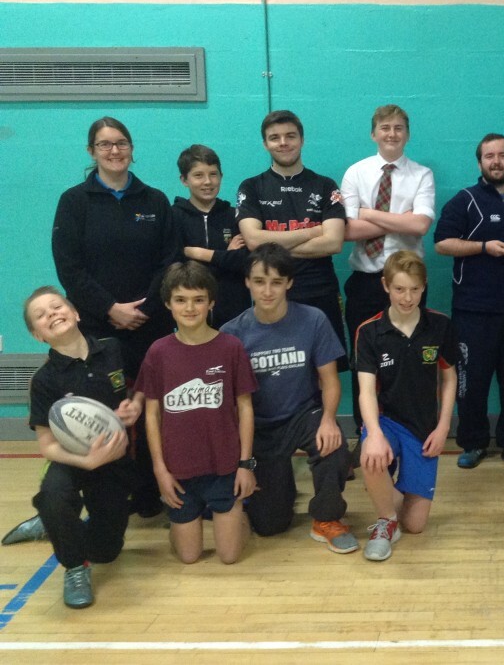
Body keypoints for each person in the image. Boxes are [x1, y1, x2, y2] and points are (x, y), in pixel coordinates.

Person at [52, 116, 177, 516]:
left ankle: (149, 494)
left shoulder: (155, 200)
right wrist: (110, 309)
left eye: (121, 143)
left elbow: (169, 262)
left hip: (150, 328)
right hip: (97, 331)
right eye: (104, 145)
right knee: (106, 411)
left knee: (150, 410)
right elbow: (69, 268)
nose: (114, 151)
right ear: (92, 152)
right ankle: (103, 495)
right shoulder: (74, 201)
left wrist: (143, 310)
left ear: (132, 148)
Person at [220, 244, 356, 554]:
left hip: (303, 415)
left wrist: (328, 420)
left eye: (276, 282)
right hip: (260, 426)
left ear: (289, 283)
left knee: (333, 446)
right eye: (259, 281)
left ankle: (326, 518)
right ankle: (279, 486)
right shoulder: (233, 333)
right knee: (270, 526)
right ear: (247, 283)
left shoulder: (313, 320)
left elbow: (330, 380)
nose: (267, 291)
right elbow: (232, 403)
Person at [22, 286, 143, 608]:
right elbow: (47, 445)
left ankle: (55, 524)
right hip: (71, 460)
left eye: (56, 306)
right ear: (38, 335)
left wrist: (134, 406)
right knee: (54, 495)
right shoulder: (44, 380)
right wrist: (86, 461)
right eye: (41, 315)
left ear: (75, 313)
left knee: (107, 551)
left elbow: (138, 390)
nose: (52, 314)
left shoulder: (112, 349)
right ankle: (74, 567)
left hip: (113, 460)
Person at [138, 262, 258, 564]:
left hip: (224, 466)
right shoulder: (158, 352)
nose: (189, 308)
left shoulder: (230, 347)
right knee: (189, 556)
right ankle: (180, 528)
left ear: (211, 302)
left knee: (229, 557)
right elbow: (151, 414)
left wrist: (246, 465)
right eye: (181, 300)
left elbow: (245, 408)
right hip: (179, 470)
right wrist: (160, 470)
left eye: (198, 299)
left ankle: (239, 518)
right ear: (168, 304)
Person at [433, 133, 504, 472]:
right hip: (473, 310)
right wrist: (482, 246)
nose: (496, 161)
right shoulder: (465, 200)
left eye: (502, 155)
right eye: (489, 156)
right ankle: (474, 442)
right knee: (472, 382)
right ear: (479, 162)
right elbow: (442, 244)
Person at [355, 251, 457, 561]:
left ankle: (391, 496)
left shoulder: (439, 325)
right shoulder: (369, 331)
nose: (407, 297)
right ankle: (385, 521)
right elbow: (366, 391)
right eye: (399, 289)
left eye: (414, 289)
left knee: (415, 525)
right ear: (385, 285)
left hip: (423, 427)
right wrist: (372, 433)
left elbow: (449, 380)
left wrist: (442, 428)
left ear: (424, 286)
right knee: (371, 456)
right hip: (387, 421)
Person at [341, 104, 435, 432]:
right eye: (385, 128)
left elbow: (420, 226)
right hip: (366, 282)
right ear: (373, 133)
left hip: (407, 284)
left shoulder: (422, 174)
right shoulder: (356, 172)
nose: (391, 134)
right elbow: (347, 231)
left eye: (398, 128)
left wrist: (368, 214)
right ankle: (367, 433)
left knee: (409, 361)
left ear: (407, 134)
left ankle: (410, 431)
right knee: (363, 363)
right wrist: (401, 220)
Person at [236, 110, 348, 366]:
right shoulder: (251, 187)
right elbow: (253, 241)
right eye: (274, 137)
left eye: (290, 136)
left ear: (302, 140)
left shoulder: (325, 185)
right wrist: (314, 230)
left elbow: (334, 242)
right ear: (265, 144)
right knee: (279, 368)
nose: (283, 142)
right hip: (271, 292)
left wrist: (272, 245)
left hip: (321, 290)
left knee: (325, 369)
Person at [172, 144, 251, 327]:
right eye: (198, 175)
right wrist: (225, 257)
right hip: (191, 318)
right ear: (184, 179)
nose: (207, 182)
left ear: (221, 177)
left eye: (213, 174)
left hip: (235, 316)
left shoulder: (236, 216)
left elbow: (243, 261)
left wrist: (198, 254)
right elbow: (176, 268)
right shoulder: (173, 217)